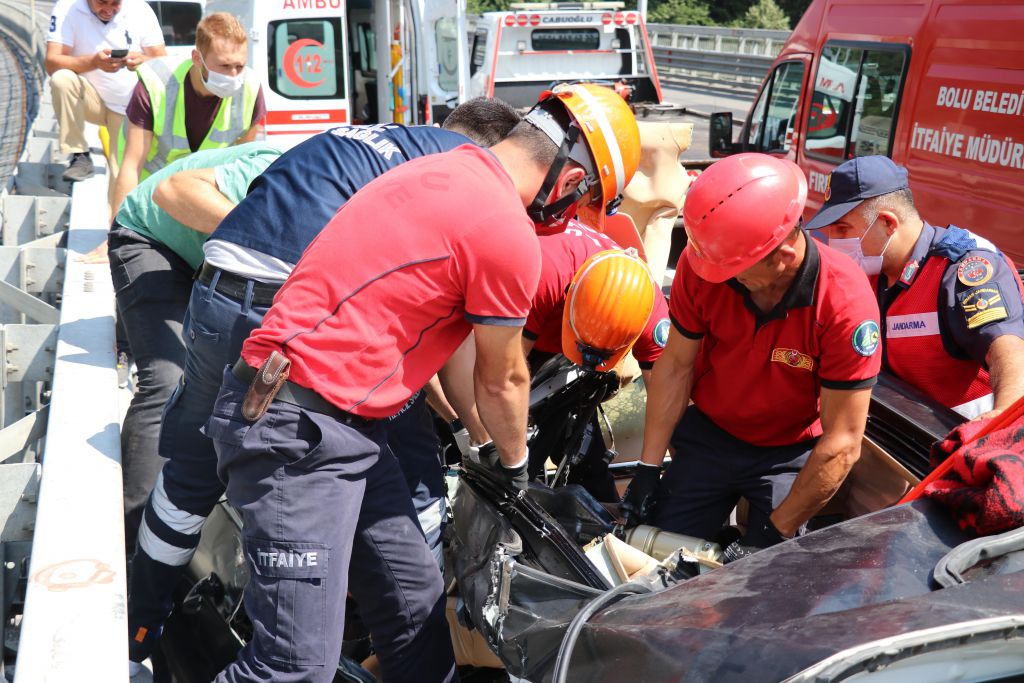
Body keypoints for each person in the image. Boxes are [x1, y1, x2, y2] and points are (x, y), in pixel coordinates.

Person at [203, 84, 640, 683]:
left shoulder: (438, 169)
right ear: (568, 184)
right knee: (292, 664)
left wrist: (477, 439)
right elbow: (503, 377)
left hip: (346, 425)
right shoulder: (505, 229)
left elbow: (453, 347)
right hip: (298, 433)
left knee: (413, 604)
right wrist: (514, 468)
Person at [126, 98, 524, 675]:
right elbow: (452, 356)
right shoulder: (455, 186)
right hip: (276, 322)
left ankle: (141, 631)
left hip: (227, 301)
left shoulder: (360, 143)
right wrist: (481, 437)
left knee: (190, 477)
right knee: (401, 467)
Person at [621, 153, 882, 563]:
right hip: (711, 433)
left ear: (784, 256)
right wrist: (648, 468)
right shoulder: (706, 264)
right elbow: (675, 367)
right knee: (653, 557)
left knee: (766, 575)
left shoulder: (844, 305)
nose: (716, 277)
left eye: (733, 270)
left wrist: (771, 533)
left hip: (790, 450)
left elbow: (843, 442)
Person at [109, 142, 281, 557]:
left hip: (212, 261)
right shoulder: (279, 170)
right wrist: (258, 233)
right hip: (153, 240)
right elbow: (169, 191)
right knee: (168, 378)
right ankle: (134, 534)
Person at [438, 220, 668, 501]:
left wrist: (649, 471)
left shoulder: (651, 311)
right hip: (517, 324)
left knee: (580, 446)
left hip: (558, 338)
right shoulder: (539, 275)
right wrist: (482, 440)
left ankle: (598, 496)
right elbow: (497, 377)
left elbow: (667, 399)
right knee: (482, 440)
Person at [804, 155, 1024, 421]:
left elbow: (1008, 348)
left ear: (888, 223)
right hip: (894, 428)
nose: (833, 240)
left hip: (955, 437)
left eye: (842, 229)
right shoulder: (871, 269)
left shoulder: (962, 268)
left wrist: (1003, 418)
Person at [113, 11, 265, 215]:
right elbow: (132, 166)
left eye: (239, 66)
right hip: (150, 194)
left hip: (204, 195)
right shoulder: (156, 82)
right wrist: (116, 232)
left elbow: (245, 169)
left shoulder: (250, 88)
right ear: (197, 58)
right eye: (224, 66)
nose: (233, 76)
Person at [45, 0, 166, 206]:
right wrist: (93, 62)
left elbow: (161, 59)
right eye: (102, 3)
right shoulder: (67, 8)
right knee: (62, 79)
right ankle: (78, 153)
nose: (108, 9)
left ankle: (115, 229)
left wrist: (140, 60)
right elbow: (52, 63)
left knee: (122, 175)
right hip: (91, 99)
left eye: (115, 4)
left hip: (128, 108)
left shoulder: (141, 10)